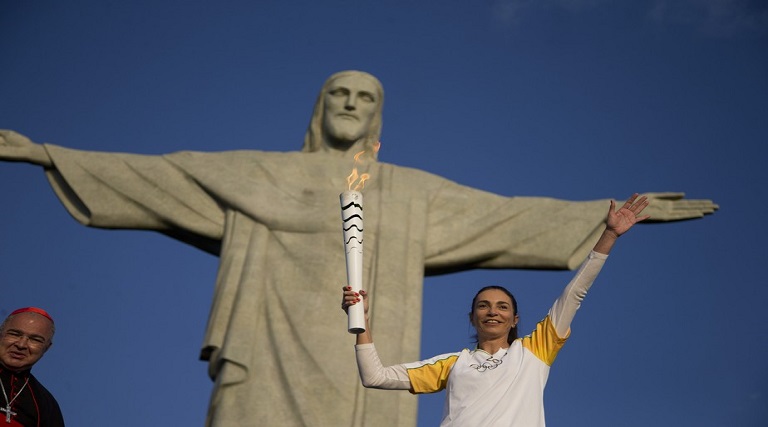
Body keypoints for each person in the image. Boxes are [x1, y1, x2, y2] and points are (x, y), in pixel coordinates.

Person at [0, 71, 716, 426]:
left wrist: (613, 216)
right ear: (320, 107)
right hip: (267, 356)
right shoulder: (262, 174)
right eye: (338, 93)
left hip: (363, 362)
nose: (349, 103)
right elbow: (160, 176)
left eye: (364, 97)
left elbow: (511, 218)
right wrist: (44, 153)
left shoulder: (411, 191)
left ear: (378, 116)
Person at [343, 194, 649, 426]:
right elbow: (375, 377)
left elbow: (574, 294)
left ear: (514, 319)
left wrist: (609, 235)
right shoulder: (452, 364)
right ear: (472, 317)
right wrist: (362, 319)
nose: (493, 312)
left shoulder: (535, 350)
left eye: (502, 307)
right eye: (484, 306)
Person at [0, 307, 65, 426]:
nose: (21, 345)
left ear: (47, 347)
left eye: (35, 340)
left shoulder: (46, 404)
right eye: (14, 334)